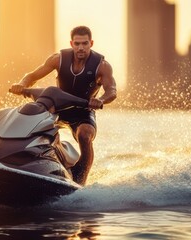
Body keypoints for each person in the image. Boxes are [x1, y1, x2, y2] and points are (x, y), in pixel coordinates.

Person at [9, 26, 117, 185]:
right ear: (71, 43)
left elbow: (112, 90)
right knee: (33, 120)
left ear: (91, 43)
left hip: (83, 110)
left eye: (85, 43)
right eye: (77, 43)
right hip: (58, 106)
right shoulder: (58, 59)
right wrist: (21, 84)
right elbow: (32, 76)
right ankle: (21, 157)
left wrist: (100, 100)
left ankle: (81, 180)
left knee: (85, 135)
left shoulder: (102, 66)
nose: (81, 47)